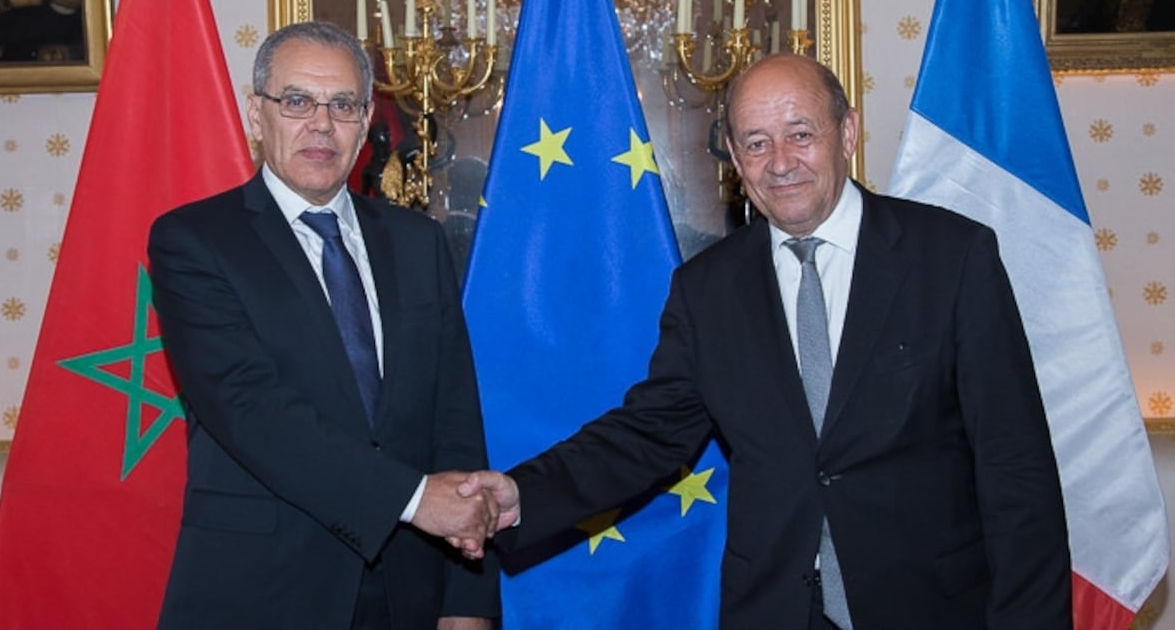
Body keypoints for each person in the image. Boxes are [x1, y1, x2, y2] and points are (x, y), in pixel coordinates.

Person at [458, 53, 1072, 629]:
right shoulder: (707, 289)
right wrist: (521, 492)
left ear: (848, 132)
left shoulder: (951, 257)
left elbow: (1017, 469)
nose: (780, 162)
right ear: (734, 155)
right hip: (776, 608)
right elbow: (647, 433)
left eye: (801, 134)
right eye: (756, 142)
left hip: (929, 606)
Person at [148, 21, 500, 629]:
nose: (321, 124)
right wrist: (415, 501)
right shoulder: (195, 242)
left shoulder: (417, 243)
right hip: (262, 593)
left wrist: (468, 602)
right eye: (297, 101)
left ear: (366, 122)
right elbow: (251, 410)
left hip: (408, 595)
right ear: (257, 115)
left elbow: (456, 423)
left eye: (342, 105)